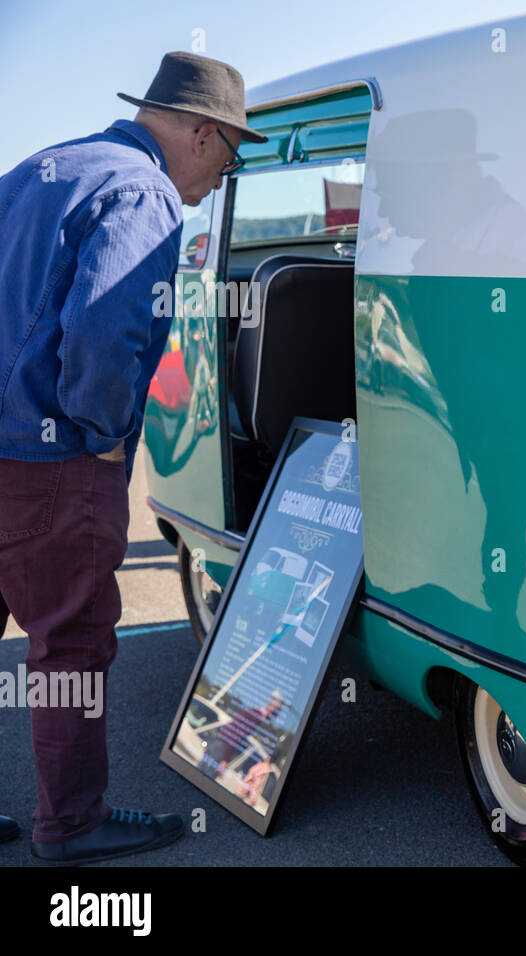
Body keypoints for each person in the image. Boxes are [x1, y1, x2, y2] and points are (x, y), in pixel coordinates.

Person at [0, 51, 267, 865]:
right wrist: (107, 432)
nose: (223, 178)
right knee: (70, 641)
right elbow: (104, 334)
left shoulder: (41, 170)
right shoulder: (144, 193)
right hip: (53, 459)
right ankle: (72, 826)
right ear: (201, 132)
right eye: (229, 155)